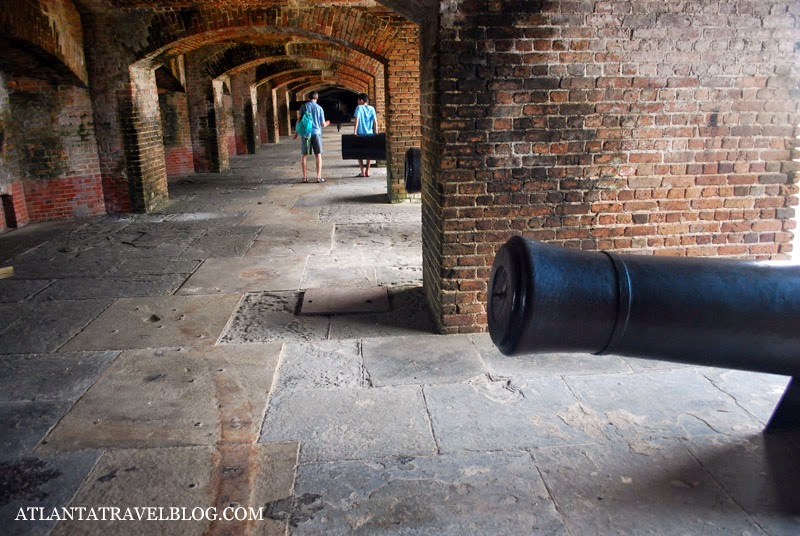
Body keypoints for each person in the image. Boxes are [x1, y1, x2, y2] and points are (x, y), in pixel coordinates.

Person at [293, 92, 330, 183]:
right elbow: (323, 124)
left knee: (304, 155)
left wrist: (296, 132)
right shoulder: (319, 108)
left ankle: (305, 177)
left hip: (306, 134)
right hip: (316, 133)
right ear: (317, 98)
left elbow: (299, 120)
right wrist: (328, 123)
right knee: (318, 155)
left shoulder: (303, 106)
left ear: (308, 98)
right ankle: (318, 177)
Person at [353, 93, 377, 177]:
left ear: (361, 100)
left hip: (360, 134)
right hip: (369, 133)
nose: (357, 102)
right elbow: (375, 121)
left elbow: (357, 120)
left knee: (359, 153)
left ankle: (362, 171)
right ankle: (367, 171)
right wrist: (376, 132)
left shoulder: (359, 108)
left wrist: (354, 131)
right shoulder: (372, 108)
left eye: (358, 100)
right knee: (368, 153)